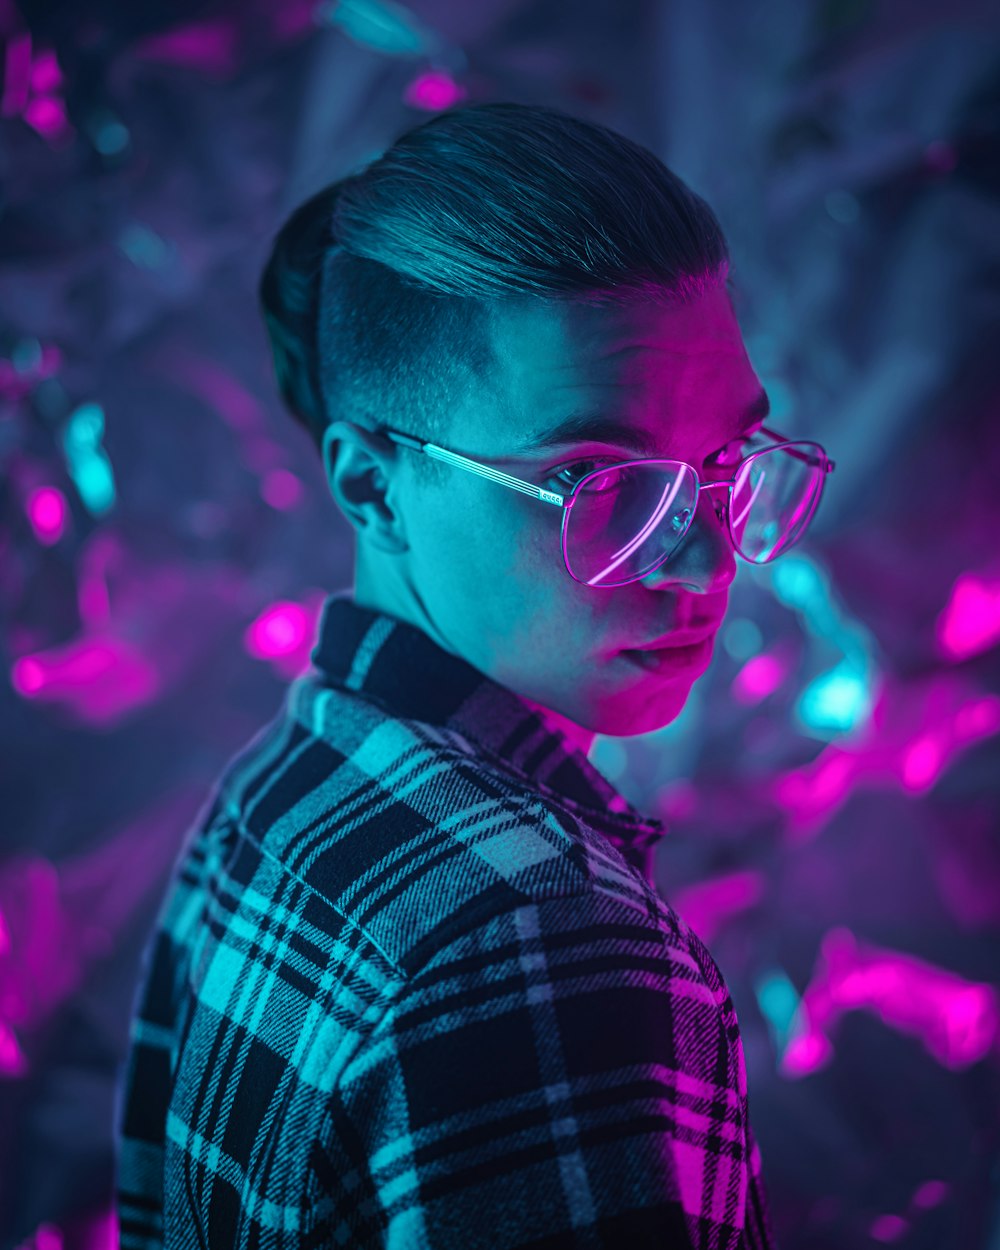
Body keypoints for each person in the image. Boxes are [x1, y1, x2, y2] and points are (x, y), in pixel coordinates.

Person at [116, 100, 832, 1247]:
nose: (704, 560)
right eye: (601, 478)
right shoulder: (553, 940)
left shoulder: (273, 792)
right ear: (371, 486)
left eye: (725, 459)